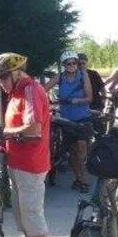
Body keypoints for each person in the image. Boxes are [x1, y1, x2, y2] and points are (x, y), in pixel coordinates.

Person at [0, 52, 52, 237]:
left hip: (31, 164)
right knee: (22, 213)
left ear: (17, 73)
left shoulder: (30, 90)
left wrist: (4, 134)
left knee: (32, 212)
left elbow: (33, 129)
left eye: (3, 76)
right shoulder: (16, 91)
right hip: (18, 163)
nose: (0, 81)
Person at [44, 50, 93, 193]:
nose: (72, 65)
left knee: (82, 148)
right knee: (72, 152)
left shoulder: (83, 76)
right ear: (64, 65)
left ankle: (83, 180)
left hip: (82, 117)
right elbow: (42, 90)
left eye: (74, 62)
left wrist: (78, 100)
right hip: (66, 119)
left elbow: (90, 98)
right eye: (68, 63)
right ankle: (78, 178)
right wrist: (44, 102)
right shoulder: (59, 77)